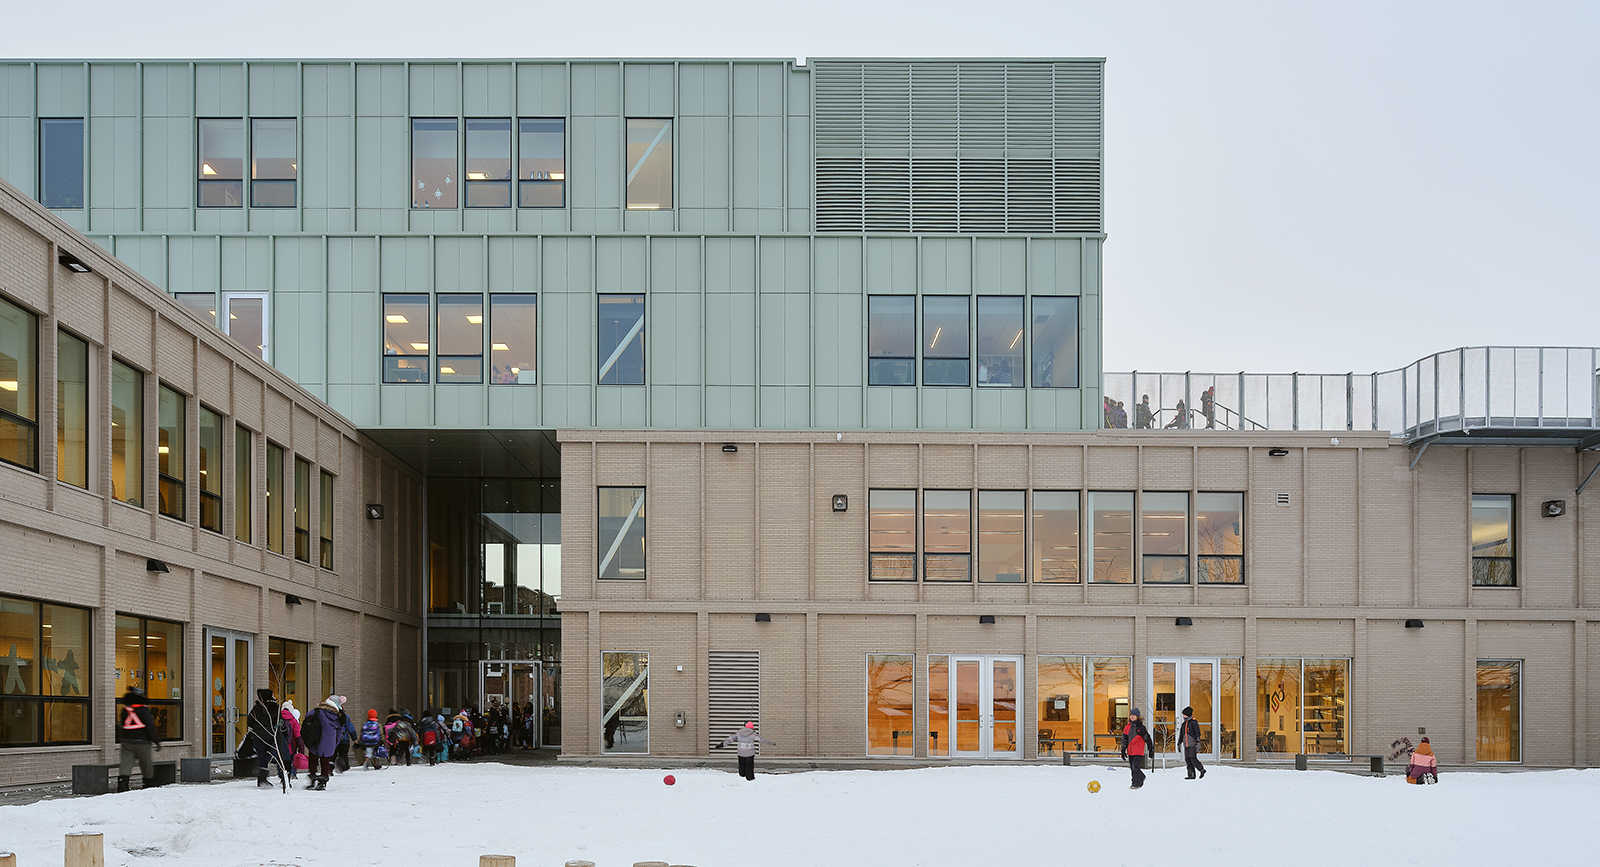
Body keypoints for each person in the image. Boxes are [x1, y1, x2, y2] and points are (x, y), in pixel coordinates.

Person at [115, 686, 162, 792]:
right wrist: (156, 741)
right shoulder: (144, 710)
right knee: (146, 764)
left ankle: (122, 784)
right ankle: (148, 782)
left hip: (127, 742)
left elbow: (122, 725)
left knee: (125, 764)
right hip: (142, 742)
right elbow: (150, 727)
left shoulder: (125, 710)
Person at [246, 688, 290, 789]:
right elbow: (280, 722)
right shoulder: (276, 707)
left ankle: (262, 779)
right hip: (272, 736)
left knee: (261, 757)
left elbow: (250, 722)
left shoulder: (257, 708)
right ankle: (284, 777)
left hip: (258, 736)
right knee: (279, 756)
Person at [301, 695, 342, 790]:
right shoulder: (337, 716)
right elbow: (339, 732)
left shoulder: (319, 712)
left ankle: (312, 778)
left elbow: (307, 716)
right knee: (325, 762)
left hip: (316, 739)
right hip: (329, 742)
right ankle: (323, 782)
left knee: (313, 760)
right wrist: (335, 743)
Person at [1120, 707, 1153, 790]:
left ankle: (1135, 783)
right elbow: (1124, 739)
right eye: (1131, 714)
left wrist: (1151, 749)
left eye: (1134, 715)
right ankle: (1141, 777)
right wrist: (1123, 750)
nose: (1132, 716)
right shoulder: (1127, 727)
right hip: (1130, 751)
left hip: (1138, 751)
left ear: (1138, 716)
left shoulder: (1141, 728)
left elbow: (1147, 738)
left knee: (1135, 767)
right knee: (1132, 767)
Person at [1179, 706, 1206, 780]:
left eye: (1185, 715)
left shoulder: (1194, 723)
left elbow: (1197, 733)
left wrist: (1197, 742)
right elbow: (1181, 735)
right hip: (1186, 744)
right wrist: (1179, 743)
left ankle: (1202, 770)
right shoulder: (1184, 724)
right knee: (1187, 759)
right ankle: (1191, 774)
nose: (1183, 716)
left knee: (1192, 758)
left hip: (1192, 744)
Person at [280, 700, 304, 780]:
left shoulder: (277, 719)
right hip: (290, 748)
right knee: (289, 763)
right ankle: (288, 778)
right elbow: (297, 735)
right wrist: (301, 749)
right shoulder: (293, 720)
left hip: (280, 746)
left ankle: (282, 776)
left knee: (281, 762)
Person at [333, 697, 356, 773]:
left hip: (333, 739)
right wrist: (354, 738)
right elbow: (351, 728)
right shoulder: (346, 717)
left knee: (333, 754)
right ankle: (343, 765)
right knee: (344, 753)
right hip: (344, 739)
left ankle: (330, 766)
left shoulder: (331, 717)